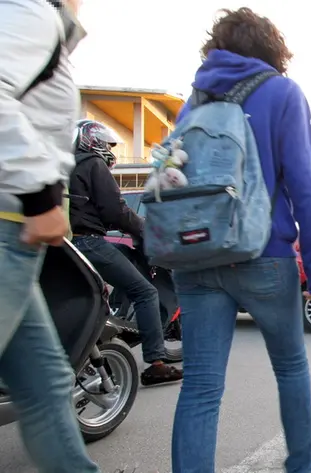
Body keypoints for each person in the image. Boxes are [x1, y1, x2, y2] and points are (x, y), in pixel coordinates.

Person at [169, 8, 311, 473]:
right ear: (271, 49)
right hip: (265, 254)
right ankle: (302, 465)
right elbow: (305, 185)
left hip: (196, 254)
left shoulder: (194, 101)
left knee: (200, 386)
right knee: (290, 367)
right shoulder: (282, 93)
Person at [0, 0, 101, 471]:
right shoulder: (31, 11)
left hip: (20, 233)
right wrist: (43, 196)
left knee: (46, 384)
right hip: (10, 219)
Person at [68, 118, 183, 386]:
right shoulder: (93, 164)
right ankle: (156, 363)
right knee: (146, 292)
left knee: (127, 259)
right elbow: (115, 210)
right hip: (91, 242)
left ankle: (119, 314)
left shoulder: (72, 167)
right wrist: (143, 230)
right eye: (108, 144)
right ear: (93, 141)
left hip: (79, 242)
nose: (110, 150)